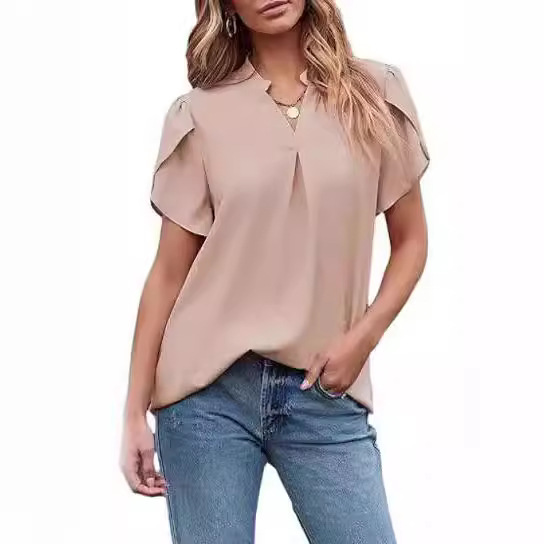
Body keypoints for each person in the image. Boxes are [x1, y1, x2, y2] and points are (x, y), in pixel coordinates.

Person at [120, 0, 430, 542]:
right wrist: (132, 415)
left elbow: (412, 243)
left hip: (324, 391)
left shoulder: (374, 93)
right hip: (207, 394)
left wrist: (362, 338)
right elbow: (168, 275)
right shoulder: (200, 116)